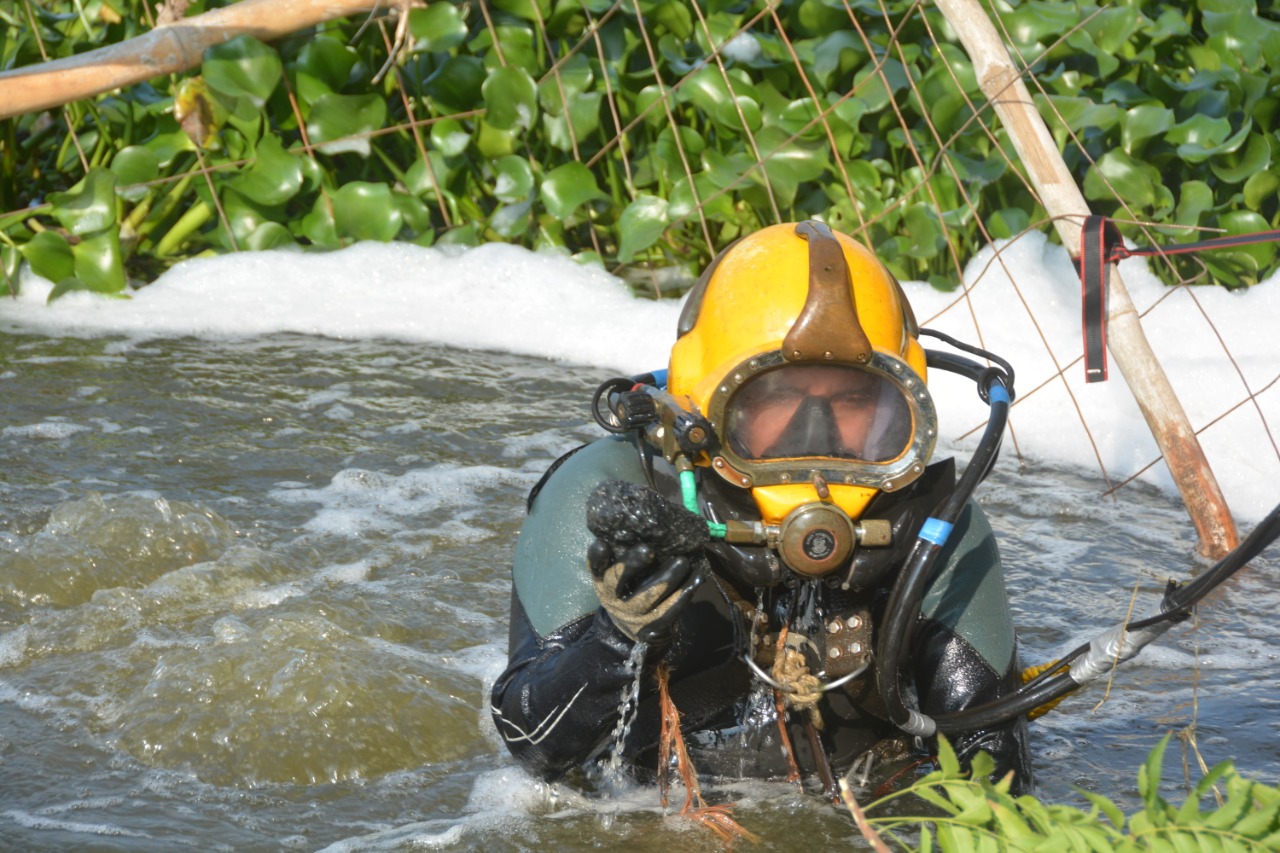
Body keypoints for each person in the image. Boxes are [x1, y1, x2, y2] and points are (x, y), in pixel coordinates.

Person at [490, 220, 1032, 798]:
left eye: (852, 399)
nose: (816, 431)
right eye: (777, 397)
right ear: (705, 400)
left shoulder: (938, 528)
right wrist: (617, 640)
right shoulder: (610, 494)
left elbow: (996, 788)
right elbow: (530, 746)